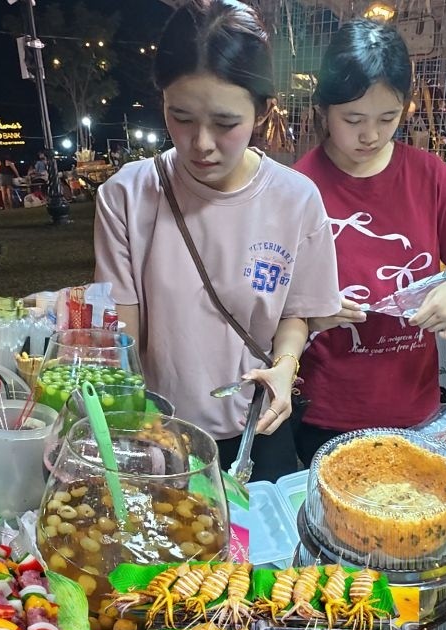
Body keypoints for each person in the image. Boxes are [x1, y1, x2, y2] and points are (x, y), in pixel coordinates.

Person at [94, 0, 341, 481]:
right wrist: (126, 414)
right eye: (181, 117)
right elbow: (123, 334)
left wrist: (285, 366)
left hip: (257, 428)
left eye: (225, 124)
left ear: (262, 110)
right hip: (160, 434)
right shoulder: (126, 195)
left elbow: (295, 313)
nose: (201, 143)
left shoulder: (296, 199)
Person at [291, 20, 446, 466]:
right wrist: (310, 315)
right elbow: (267, 303)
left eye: (387, 119)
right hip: (323, 413)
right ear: (323, 109)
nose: (370, 135)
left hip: (413, 409)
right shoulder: (296, 187)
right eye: (353, 120)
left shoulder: (427, 175)